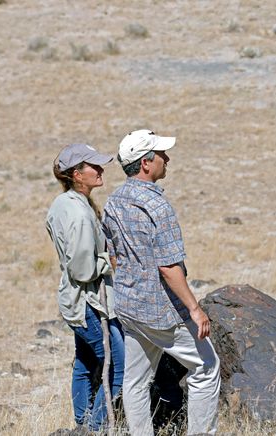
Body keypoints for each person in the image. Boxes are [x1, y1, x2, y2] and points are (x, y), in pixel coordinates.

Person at [103, 129, 221, 436]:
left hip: (128, 306)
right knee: (207, 366)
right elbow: (169, 267)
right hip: (160, 310)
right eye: (161, 154)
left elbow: (114, 256)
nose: (167, 158)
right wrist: (195, 309)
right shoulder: (157, 206)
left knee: (135, 381)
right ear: (146, 163)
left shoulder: (113, 202)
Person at [46, 143, 125, 432]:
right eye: (94, 166)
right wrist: (109, 262)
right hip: (88, 302)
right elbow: (82, 270)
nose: (100, 170)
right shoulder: (80, 214)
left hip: (75, 299)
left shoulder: (63, 204)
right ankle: (97, 426)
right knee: (117, 363)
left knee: (85, 360)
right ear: (77, 174)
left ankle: (82, 424)